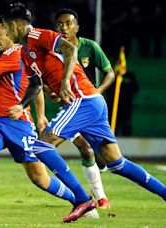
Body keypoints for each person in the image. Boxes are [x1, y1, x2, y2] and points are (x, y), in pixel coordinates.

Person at [3, 2, 166, 219]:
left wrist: (64, 83)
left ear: (14, 25)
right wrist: (21, 105)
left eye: (5, 26)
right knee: (116, 163)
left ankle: (82, 199)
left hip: (84, 99)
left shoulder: (38, 36)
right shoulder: (25, 51)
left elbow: (71, 49)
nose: (5, 31)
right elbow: (34, 85)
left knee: (41, 145)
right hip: (92, 102)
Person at [0, 18, 100, 218]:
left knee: (40, 179)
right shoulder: (17, 56)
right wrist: (42, 114)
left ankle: (80, 201)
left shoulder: (15, 53)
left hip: (19, 126)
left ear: (11, 32)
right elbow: (35, 87)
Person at [52, 8, 115, 209]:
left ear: (76, 28)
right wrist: (52, 91)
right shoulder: (54, 52)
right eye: (60, 24)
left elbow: (110, 73)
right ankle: (99, 198)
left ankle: (97, 174)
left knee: (103, 157)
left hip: (90, 108)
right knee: (85, 149)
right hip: (70, 109)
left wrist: (97, 91)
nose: (64, 27)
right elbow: (44, 81)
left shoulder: (90, 47)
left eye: (68, 23)